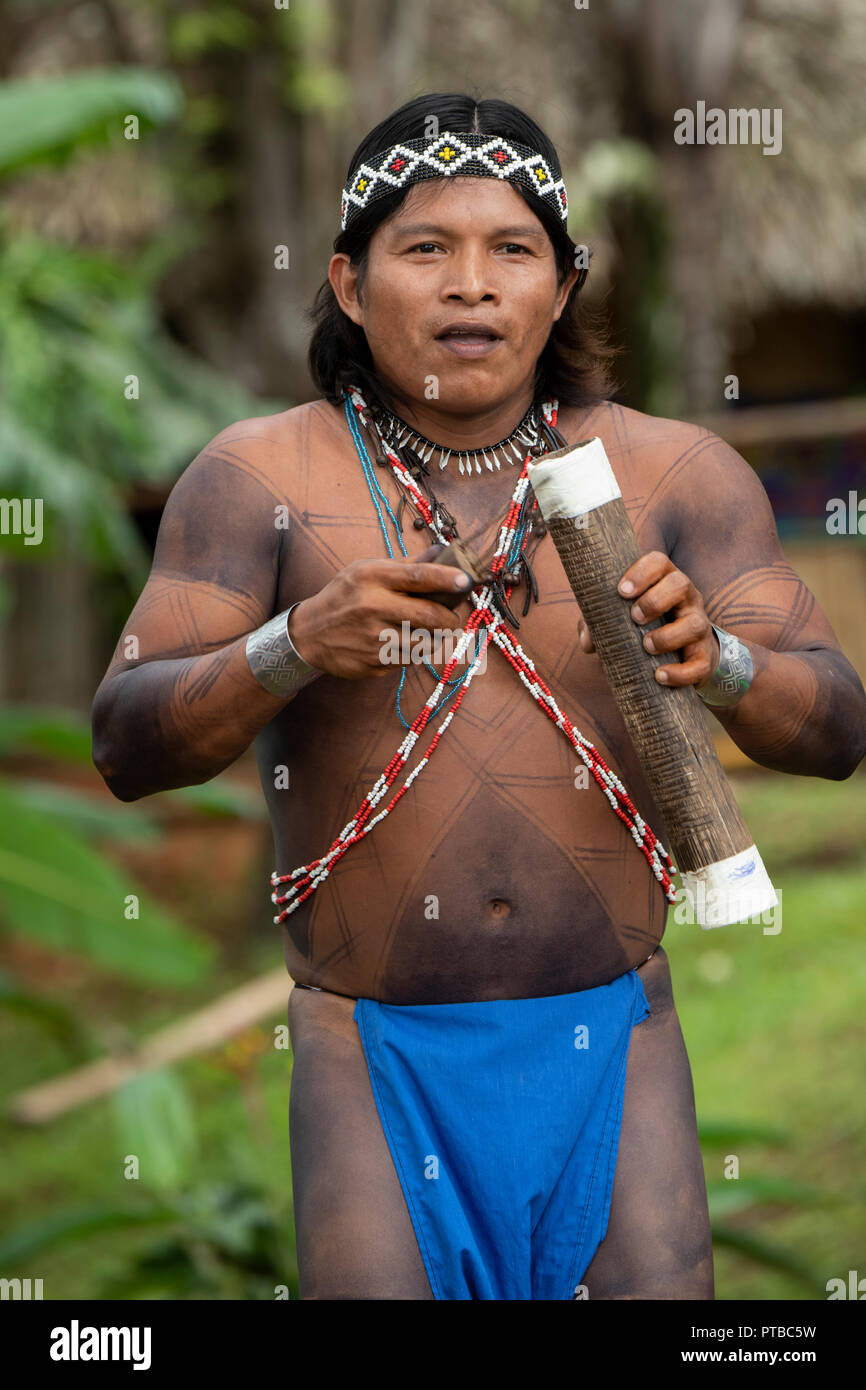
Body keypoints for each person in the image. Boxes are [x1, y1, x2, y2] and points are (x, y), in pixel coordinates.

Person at [91, 93, 866, 1301]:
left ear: (561, 287)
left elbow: (835, 727)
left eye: (512, 250)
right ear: (348, 284)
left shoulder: (671, 473)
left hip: (615, 1035)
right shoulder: (258, 478)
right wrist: (294, 642)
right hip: (369, 1050)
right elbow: (126, 740)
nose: (471, 285)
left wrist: (715, 661)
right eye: (424, 249)